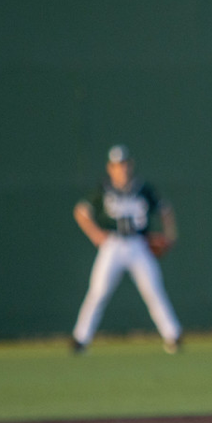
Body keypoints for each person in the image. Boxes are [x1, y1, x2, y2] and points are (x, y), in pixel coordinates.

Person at [71, 144, 182, 354]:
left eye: (123, 164)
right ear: (110, 168)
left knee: (153, 291)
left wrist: (169, 235)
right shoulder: (103, 190)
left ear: (130, 165)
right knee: (98, 291)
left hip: (138, 244)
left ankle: (173, 335)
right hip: (112, 244)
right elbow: (81, 212)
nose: (121, 169)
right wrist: (95, 234)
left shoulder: (143, 188)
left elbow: (165, 210)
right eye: (116, 165)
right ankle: (80, 338)